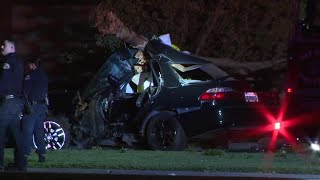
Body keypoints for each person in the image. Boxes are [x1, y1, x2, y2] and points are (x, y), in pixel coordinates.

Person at [0, 38, 26, 171]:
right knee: (16, 133)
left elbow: (5, 83)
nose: (1, 47)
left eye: (4, 45)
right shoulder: (19, 62)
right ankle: (21, 164)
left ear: (11, 48)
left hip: (9, 102)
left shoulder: (9, 62)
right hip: (16, 102)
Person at [22, 57, 48, 163]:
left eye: (29, 65)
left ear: (33, 65)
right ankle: (42, 154)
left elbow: (25, 93)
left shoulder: (30, 76)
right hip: (42, 107)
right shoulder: (44, 76)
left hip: (32, 107)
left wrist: (23, 108)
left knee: (27, 131)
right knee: (39, 131)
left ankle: (24, 154)